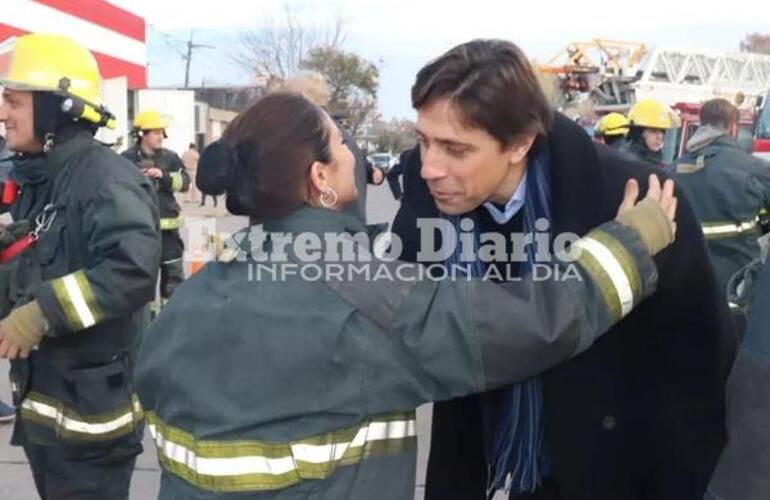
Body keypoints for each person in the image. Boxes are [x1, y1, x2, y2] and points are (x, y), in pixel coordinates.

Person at [134, 91, 677, 499]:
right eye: (342, 142)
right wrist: (628, 246)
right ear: (321, 176)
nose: (353, 153)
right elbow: (529, 324)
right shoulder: (367, 299)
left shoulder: (200, 292)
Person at [389, 40, 735, 500]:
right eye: (424, 140)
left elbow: (697, 360)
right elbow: (414, 328)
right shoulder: (426, 192)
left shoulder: (640, 200)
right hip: (483, 467)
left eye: (455, 148)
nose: (430, 166)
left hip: (608, 474)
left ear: (519, 144)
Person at [0, 33, 160, 499]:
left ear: (56, 108)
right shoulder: (44, 177)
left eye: (13, 101)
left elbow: (130, 271)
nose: (3, 114)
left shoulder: (105, 179)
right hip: (48, 410)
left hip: (92, 426)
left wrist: (42, 311)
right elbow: (40, 255)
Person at [670, 98, 770, 294]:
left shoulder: (673, 170)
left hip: (684, 284)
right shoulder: (755, 170)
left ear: (701, 123)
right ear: (733, 128)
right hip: (738, 286)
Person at [283, 71, 385, 223]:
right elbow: (371, 174)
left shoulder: (309, 138)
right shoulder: (344, 137)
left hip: (316, 234)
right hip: (350, 231)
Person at [122, 110, 190, 310]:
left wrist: (164, 176)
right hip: (139, 232)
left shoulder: (171, 158)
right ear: (142, 134)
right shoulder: (126, 159)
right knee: (143, 282)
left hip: (169, 234)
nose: (161, 136)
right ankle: (146, 327)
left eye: (162, 132)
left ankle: (171, 322)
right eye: (155, 132)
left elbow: (185, 183)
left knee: (173, 280)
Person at [623, 99, 675, 166]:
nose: (660, 136)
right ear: (638, 132)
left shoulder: (656, 161)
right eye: (653, 130)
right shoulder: (628, 163)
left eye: (662, 131)